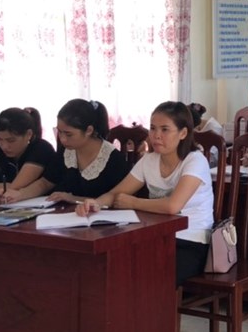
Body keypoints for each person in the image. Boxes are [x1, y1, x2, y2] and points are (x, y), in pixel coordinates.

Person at [79, 102, 214, 286]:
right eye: (152, 128)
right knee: (112, 266)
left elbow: (173, 206)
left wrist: (133, 203)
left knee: (143, 276)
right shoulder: (149, 161)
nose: (156, 135)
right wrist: (96, 203)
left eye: (165, 129)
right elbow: (116, 193)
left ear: (183, 133)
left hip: (191, 242)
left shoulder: (195, 161)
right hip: (156, 236)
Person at [1, 99, 131, 204]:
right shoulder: (67, 152)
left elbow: (117, 199)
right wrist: (20, 194)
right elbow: (45, 183)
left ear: (89, 131)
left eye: (69, 134)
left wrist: (74, 199)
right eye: (60, 132)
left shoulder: (113, 158)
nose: (62, 139)